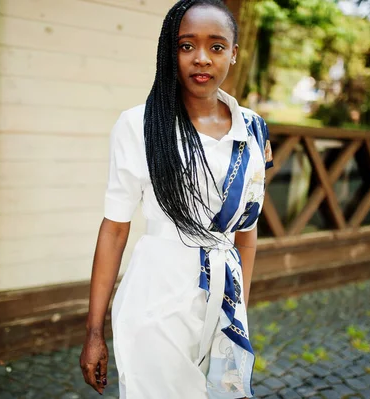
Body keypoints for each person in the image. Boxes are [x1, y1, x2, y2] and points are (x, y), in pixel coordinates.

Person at [79, 0, 273, 397]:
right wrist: (94, 331)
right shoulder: (139, 125)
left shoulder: (253, 130)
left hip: (223, 301)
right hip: (156, 301)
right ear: (171, 51)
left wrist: (237, 313)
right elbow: (115, 229)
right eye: (187, 46)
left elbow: (246, 235)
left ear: (234, 53)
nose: (201, 58)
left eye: (216, 47)